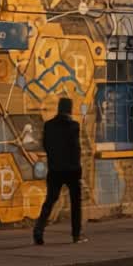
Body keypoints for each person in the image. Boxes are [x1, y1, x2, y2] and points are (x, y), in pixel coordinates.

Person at [33, 97, 84, 245]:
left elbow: (46, 145)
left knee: (50, 200)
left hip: (55, 169)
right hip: (72, 170)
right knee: (75, 203)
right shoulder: (74, 126)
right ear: (70, 109)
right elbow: (76, 149)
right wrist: (78, 168)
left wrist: (54, 161)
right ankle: (76, 235)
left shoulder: (49, 125)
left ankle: (39, 228)